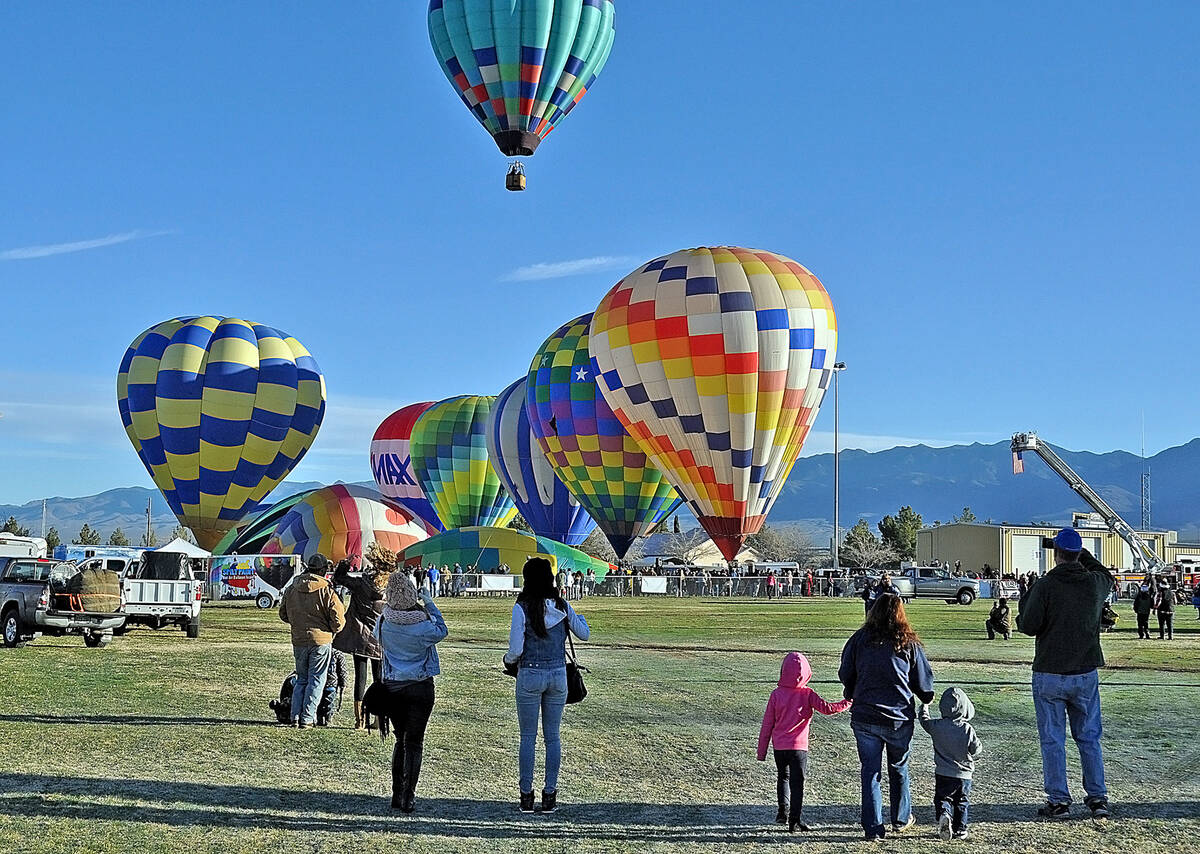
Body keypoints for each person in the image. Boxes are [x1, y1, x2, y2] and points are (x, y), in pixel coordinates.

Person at [1016, 528, 1113, 821]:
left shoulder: (1046, 586)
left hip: (1050, 672)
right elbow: (1105, 573)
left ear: (1055, 554)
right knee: (1089, 738)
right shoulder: (1094, 584)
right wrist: (1081, 552)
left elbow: (1029, 625)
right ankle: (1097, 798)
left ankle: (1059, 801)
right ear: (1079, 554)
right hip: (1084, 671)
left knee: (1053, 740)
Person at [839, 595, 934, 841]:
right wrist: (926, 696)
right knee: (899, 768)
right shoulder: (909, 644)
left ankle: (873, 827)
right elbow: (923, 680)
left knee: (870, 772)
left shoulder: (860, 639)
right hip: (898, 717)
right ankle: (901, 819)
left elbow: (846, 671)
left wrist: (851, 691)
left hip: (866, 715)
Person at [503, 558, 590, 814]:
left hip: (530, 673)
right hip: (557, 675)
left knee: (528, 737)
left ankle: (526, 795)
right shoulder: (562, 605)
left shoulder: (521, 607)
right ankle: (550, 794)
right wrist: (580, 618)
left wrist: (508, 661)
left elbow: (516, 649)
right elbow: (584, 633)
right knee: (552, 737)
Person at [369, 572, 447, 813]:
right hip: (420, 686)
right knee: (414, 743)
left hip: (393, 688)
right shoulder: (423, 626)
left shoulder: (384, 622)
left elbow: (374, 638)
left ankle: (396, 793)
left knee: (400, 740)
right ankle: (408, 796)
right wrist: (430, 604)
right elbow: (442, 630)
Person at [757, 652, 852, 832]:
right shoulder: (807, 694)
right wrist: (847, 703)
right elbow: (827, 709)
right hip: (799, 747)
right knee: (797, 783)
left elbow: (767, 724)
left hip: (780, 747)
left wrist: (761, 752)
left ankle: (782, 812)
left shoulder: (776, 694)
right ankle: (795, 820)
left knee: (782, 777)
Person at [278, 554, 347, 729]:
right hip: (321, 640)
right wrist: (331, 630)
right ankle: (307, 718)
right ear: (323, 570)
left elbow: (283, 613)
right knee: (316, 680)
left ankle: (294, 716)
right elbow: (338, 619)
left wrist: (298, 624)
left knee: (301, 679)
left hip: (299, 640)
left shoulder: (292, 588)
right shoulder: (327, 590)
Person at [332, 554, 390, 731]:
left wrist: (346, 563)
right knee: (379, 680)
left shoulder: (360, 584)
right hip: (381, 639)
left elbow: (339, 578)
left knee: (361, 678)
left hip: (360, 638)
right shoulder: (390, 589)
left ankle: (360, 721)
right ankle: (380, 720)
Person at [919, 687, 982, 841]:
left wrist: (924, 706)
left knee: (943, 798)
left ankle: (944, 814)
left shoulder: (937, 726)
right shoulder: (967, 729)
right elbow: (976, 749)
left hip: (943, 773)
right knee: (962, 801)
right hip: (964, 774)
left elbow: (924, 720)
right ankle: (960, 829)